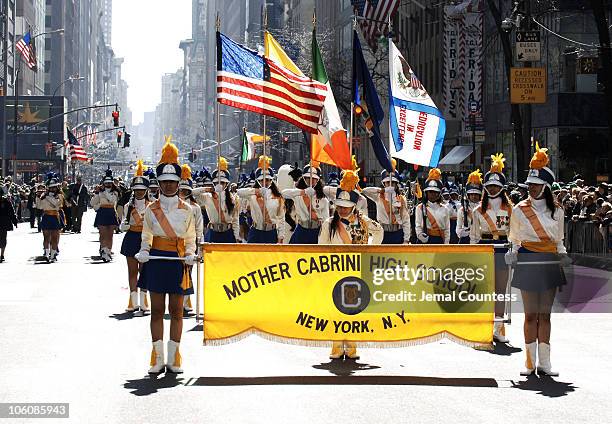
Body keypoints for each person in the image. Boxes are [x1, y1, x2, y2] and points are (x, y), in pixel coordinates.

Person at [506, 143, 570, 376]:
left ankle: (545, 363)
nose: (531, 188)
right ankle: (529, 362)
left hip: (549, 260)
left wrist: (562, 256)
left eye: (536, 185)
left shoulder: (558, 210)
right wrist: (512, 253)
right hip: (528, 259)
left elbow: (560, 239)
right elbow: (514, 237)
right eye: (530, 185)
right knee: (530, 313)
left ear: (546, 187)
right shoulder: (520, 209)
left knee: (545, 314)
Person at [135, 138, 197, 374]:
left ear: (179, 183)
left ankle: (175, 356)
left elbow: (190, 237)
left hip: (178, 261)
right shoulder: (151, 209)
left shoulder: (187, 209)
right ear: (158, 184)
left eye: (173, 182)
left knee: (177, 311)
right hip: (157, 261)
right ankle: (157, 356)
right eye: (165, 182)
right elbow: (146, 234)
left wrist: (190, 254)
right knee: (158, 310)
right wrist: (144, 251)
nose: (169, 186)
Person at [319, 169, 383, 360]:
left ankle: (352, 347)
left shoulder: (364, 223)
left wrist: (369, 249)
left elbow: (379, 232)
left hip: (355, 270)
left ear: (354, 206)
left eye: (346, 207)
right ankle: (337, 346)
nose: (342, 210)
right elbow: (321, 248)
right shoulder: (328, 224)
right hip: (335, 270)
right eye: (339, 206)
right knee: (336, 309)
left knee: (353, 309)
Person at [471, 153, 513, 343]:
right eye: (489, 186)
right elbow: (473, 235)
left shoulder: (511, 209)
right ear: (485, 188)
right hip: (484, 247)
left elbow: (514, 232)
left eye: (496, 186)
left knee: (501, 290)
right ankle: (484, 326)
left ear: (502, 187)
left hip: (503, 248)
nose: (493, 188)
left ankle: (499, 327)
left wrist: (514, 250)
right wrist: (472, 254)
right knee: (485, 289)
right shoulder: (477, 210)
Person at [120, 160, 151, 314]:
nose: (139, 192)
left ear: (146, 190)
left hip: (146, 238)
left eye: (142, 189)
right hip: (132, 238)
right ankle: (133, 302)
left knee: (144, 271)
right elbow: (122, 224)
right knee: (132, 271)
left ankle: (144, 301)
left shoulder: (153, 205)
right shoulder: (127, 206)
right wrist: (123, 225)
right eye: (137, 189)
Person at [236, 156, 286, 243]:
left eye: (267, 180)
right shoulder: (252, 194)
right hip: (256, 231)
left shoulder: (277, 196)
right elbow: (239, 192)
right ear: (258, 181)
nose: (265, 182)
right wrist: (255, 191)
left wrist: (280, 236)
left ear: (271, 180)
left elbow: (281, 218)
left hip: (271, 232)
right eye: (262, 180)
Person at [361, 161, 411, 244]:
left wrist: (406, 239)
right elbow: (365, 191)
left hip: (397, 232)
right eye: (388, 182)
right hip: (382, 232)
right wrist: (382, 190)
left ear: (396, 184)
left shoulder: (401, 199)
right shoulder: (378, 196)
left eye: (393, 182)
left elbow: (406, 220)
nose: (390, 185)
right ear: (384, 183)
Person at [193, 157, 241, 243]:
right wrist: (207, 189)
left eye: (222, 182)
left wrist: (236, 237)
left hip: (228, 233)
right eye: (217, 182)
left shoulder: (233, 198)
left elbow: (235, 220)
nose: (220, 185)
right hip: (213, 232)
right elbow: (192, 193)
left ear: (227, 184)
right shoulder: (208, 196)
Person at [282, 162, 330, 244]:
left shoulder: (323, 198)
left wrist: (318, 217)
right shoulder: (298, 194)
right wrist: (303, 192)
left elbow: (326, 219)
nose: (311, 181)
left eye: (314, 179)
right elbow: (284, 193)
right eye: (308, 178)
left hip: (317, 230)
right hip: (301, 229)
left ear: (318, 180)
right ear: (303, 178)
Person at [178, 164, 202, 313]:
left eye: (186, 190)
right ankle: (178, 299)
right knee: (178, 272)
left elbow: (199, 227)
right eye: (181, 190)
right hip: (176, 242)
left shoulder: (196, 207)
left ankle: (186, 301)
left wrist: (200, 243)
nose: (183, 192)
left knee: (189, 271)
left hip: (191, 242)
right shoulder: (173, 205)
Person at [91, 169, 120, 262]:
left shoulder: (115, 192)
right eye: (106, 183)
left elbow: (111, 200)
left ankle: (108, 251)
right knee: (102, 234)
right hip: (102, 213)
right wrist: (96, 195)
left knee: (110, 235)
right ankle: (104, 251)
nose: (108, 185)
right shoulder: (100, 192)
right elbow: (92, 203)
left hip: (111, 212)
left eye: (109, 183)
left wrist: (102, 192)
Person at [415, 168, 450, 244]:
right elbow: (418, 226)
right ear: (426, 193)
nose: (433, 194)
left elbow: (447, 229)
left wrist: (446, 243)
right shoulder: (420, 208)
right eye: (430, 192)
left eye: (435, 192)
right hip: (425, 238)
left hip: (439, 239)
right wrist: (420, 235)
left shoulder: (445, 209)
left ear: (439, 193)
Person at [36, 173, 63, 262]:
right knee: (46, 237)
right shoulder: (43, 196)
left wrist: (47, 196)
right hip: (46, 216)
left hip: (55, 216)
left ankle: (53, 254)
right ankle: (47, 253)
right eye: (51, 187)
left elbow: (57, 204)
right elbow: (39, 207)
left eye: (54, 187)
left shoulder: (59, 195)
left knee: (55, 237)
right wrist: (38, 197)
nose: (53, 189)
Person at [456, 169, 483, 244]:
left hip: (481, 240)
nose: (474, 196)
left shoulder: (484, 208)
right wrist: (462, 232)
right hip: (466, 240)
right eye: (471, 194)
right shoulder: (462, 210)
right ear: (468, 195)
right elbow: (458, 229)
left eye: (476, 194)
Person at [0, 180, 18, 262]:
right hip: (4, 222)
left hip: (4, 222)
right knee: (3, 238)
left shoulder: (7, 202)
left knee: (3, 238)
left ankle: (2, 254)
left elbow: (11, 211)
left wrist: (15, 221)